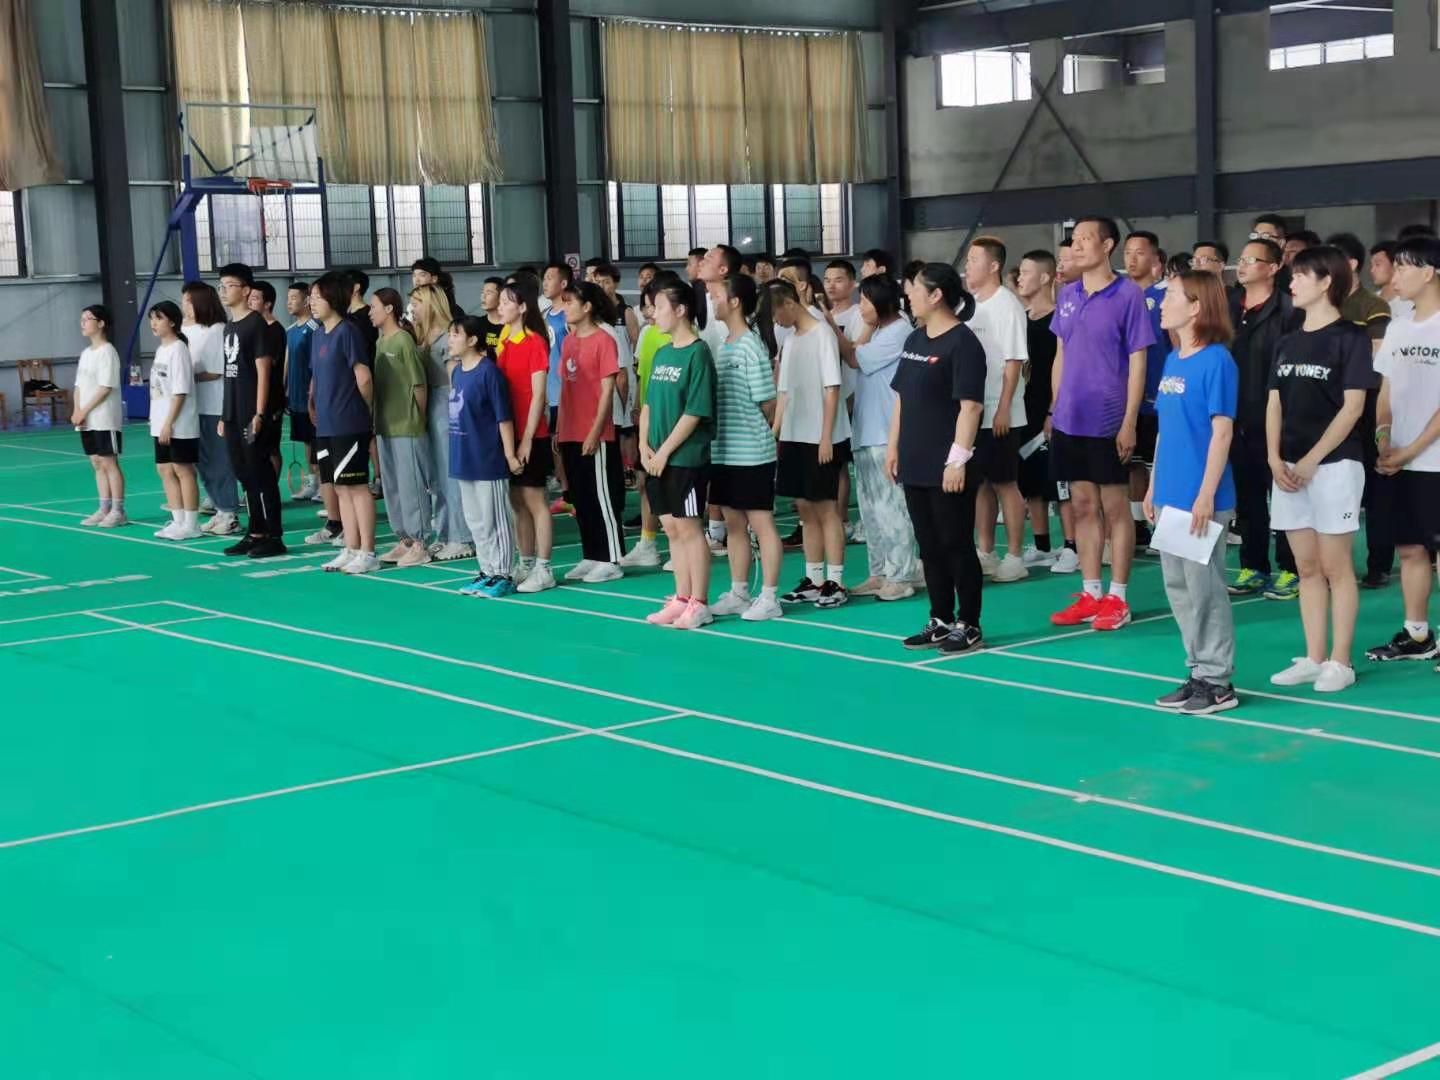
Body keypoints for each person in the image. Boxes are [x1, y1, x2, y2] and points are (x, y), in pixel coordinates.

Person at [1266, 246, 1371, 693]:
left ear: (1327, 281)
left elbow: (1353, 407)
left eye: (1300, 276)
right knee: (1306, 567)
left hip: (1335, 465)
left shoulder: (1351, 338)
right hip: (1288, 469)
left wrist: (1312, 459)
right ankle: (1313, 657)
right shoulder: (1286, 340)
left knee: (1335, 566)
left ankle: (1340, 661)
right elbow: (1274, 402)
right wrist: (1274, 457)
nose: (1291, 283)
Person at [1048, 216, 1156, 630]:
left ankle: (1118, 597)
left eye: (1085, 239)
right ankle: (1091, 592)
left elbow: (1138, 361)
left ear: (1107, 245)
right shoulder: (1068, 294)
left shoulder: (1128, 295)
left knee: (1115, 508)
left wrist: (1129, 421)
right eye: (1073, 240)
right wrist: (1056, 408)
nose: (1076, 247)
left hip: (1109, 419)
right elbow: (1061, 353)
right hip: (1069, 420)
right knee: (1081, 506)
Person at [1143, 271, 1240, 715]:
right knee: (1179, 587)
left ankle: (1218, 683)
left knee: (1206, 589)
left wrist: (1206, 494)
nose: (1163, 304)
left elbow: (1222, 433)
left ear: (1197, 306)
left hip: (1201, 497)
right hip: (1170, 492)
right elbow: (1166, 430)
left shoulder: (1217, 361)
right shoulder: (1173, 360)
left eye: (1172, 297)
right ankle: (1199, 671)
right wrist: (1153, 484)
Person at [890, 264, 987, 654]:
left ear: (936, 295)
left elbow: (971, 407)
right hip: (913, 459)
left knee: (955, 543)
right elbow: (901, 398)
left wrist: (957, 460)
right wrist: (893, 447)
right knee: (928, 545)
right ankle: (941, 618)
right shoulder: (915, 338)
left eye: (915, 289)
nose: (908, 295)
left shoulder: (964, 344)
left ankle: (969, 623)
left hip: (947, 465)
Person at [1365, 235, 1440, 669]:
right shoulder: (1398, 327)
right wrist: (1384, 440)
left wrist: (1411, 449)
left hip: (1432, 460)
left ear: (1428, 272)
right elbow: (1385, 392)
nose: (1395, 276)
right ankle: (1418, 634)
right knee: (1410, 549)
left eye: (1404, 267)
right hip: (1399, 461)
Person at [704, 274, 785, 620]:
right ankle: (739, 592)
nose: (712, 301)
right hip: (723, 452)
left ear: (735, 302)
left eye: (717, 295)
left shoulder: (751, 346)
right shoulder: (724, 345)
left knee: (761, 523)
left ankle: (769, 597)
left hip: (752, 454)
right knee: (734, 524)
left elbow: (768, 404)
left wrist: (758, 434)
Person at [768, 278, 852, 608]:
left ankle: (836, 582)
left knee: (827, 509)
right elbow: (784, 391)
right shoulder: (791, 340)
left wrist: (826, 437)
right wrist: (775, 430)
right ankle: (814, 579)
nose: (776, 322)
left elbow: (832, 389)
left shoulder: (823, 335)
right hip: (794, 436)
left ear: (789, 304)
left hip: (822, 437)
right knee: (804, 508)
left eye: (776, 314)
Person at [1227, 237, 1302, 599]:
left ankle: (1291, 568)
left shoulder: (1289, 311)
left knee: (1284, 495)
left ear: (1273, 268)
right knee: (1247, 498)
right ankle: (1253, 566)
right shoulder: (1228, 307)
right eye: (1240, 259)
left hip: (1276, 417)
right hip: (1234, 416)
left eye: (1251, 260)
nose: (1242, 266)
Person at [640, 280, 719, 629]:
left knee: (689, 528)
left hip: (685, 458)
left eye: (658, 307)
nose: (652, 314)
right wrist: (644, 446)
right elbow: (648, 405)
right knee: (671, 528)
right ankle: (682, 597)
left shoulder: (698, 353)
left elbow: (694, 412)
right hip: (656, 458)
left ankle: (700, 603)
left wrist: (665, 452)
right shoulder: (662, 352)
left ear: (681, 310)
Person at [837, 273, 919, 600]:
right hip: (867, 431)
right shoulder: (881, 330)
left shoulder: (900, 332)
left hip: (887, 434)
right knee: (871, 511)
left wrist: (829, 324)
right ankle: (880, 572)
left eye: (866, 301)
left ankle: (901, 576)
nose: (861, 307)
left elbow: (854, 357)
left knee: (893, 510)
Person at [1329, 231, 1395, 590]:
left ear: (1351, 264)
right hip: (1330, 406)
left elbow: (1378, 362)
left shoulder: (1373, 306)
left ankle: (1379, 563)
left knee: (1376, 486)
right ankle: (1336, 565)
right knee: (1338, 487)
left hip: (1367, 404)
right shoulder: (1324, 305)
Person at [963, 236, 1031, 584]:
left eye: (974, 260)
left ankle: (1016, 556)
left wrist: (1004, 407)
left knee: (1005, 483)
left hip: (1001, 412)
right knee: (981, 484)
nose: (967, 266)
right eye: (967, 260)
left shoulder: (1008, 304)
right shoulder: (971, 305)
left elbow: (1014, 360)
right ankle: (986, 552)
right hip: (974, 411)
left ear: (993, 266)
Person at [556, 280, 627, 581]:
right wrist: (559, 429)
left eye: (570, 302)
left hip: (594, 433)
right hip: (570, 430)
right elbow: (565, 389)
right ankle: (591, 554)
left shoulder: (604, 339)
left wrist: (595, 432)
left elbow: (607, 391)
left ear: (586, 307)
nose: (565, 308)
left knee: (601, 497)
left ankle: (612, 558)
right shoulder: (568, 341)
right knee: (581, 498)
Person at [446, 315, 520, 598]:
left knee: (495, 520)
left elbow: (503, 418)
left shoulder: (489, 373)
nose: (450, 340)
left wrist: (510, 455)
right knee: (475, 520)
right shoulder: (457, 372)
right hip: (463, 457)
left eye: (456, 334)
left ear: (473, 340)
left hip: (487, 459)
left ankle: (503, 573)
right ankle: (486, 570)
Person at [309, 271, 378, 575]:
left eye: (317, 297)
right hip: (325, 424)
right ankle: (350, 547)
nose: (312, 302)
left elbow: (364, 377)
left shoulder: (348, 332)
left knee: (357, 487)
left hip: (349, 422)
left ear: (334, 299)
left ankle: (368, 551)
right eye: (311, 297)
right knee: (340, 488)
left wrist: (366, 411)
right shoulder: (318, 335)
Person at [1014, 250, 1078, 573]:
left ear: (1044, 277)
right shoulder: (1020, 319)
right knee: (1030, 479)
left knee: (1059, 483)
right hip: (1023, 410)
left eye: (1026, 272)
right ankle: (1041, 546)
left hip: (1052, 410)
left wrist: (1054, 411)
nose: (1019, 278)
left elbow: (1065, 369)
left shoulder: (1059, 318)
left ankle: (1072, 546)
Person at [217, 263, 286, 559]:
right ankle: (255, 530)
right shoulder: (230, 326)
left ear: (245, 290)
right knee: (243, 474)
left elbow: (263, 372)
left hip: (251, 413)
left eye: (229, 285)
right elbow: (229, 373)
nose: (223, 291)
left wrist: (258, 414)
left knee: (261, 474)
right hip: (233, 413)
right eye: (221, 286)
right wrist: (224, 415)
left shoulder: (257, 325)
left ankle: (274, 534)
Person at [493, 279, 556, 592]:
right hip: (509, 433)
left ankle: (544, 568)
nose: (500, 306)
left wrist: (527, 439)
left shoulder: (535, 342)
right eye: (500, 301)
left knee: (535, 500)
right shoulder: (504, 338)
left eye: (506, 302)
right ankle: (526, 561)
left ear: (522, 307)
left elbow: (538, 395)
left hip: (532, 434)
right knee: (516, 501)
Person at [369, 288, 431, 567]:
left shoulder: (404, 340)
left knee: (411, 485)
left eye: (374, 307)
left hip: (407, 425)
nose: (370, 312)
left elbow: (419, 385)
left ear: (389, 309)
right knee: (392, 485)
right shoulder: (380, 342)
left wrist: (419, 417)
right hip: (385, 424)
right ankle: (404, 538)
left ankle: (420, 542)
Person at [410, 284, 470, 561]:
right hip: (431, 406)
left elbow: (457, 380)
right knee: (436, 477)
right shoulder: (423, 338)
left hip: (446, 406)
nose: (413, 308)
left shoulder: (448, 337)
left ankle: (461, 537)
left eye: (417, 303)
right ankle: (444, 533)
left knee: (451, 474)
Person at [620, 277, 673, 571]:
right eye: (647, 307)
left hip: (671, 420)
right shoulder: (647, 335)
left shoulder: (681, 337)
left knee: (673, 484)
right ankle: (648, 543)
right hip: (648, 418)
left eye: (655, 306)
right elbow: (642, 374)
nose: (650, 312)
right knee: (645, 483)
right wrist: (638, 405)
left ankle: (680, 544)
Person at [183, 282, 239, 535]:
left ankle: (229, 512)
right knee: (202, 462)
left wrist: (183, 378)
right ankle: (219, 508)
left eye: (189, 300)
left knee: (218, 461)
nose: (185, 305)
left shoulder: (216, 330)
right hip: (193, 407)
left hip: (214, 405)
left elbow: (216, 371)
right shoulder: (186, 330)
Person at [146, 301, 201, 540]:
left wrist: (169, 422)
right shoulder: (162, 350)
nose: (154, 323)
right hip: (160, 422)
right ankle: (178, 521)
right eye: (151, 318)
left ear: (172, 321)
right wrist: (157, 421)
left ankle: (192, 524)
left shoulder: (178, 349)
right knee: (165, 469)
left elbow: (180, 391)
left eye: (158, 318)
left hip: (179, 423)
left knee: (183, 469)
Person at [1125, 230, 1166, 549]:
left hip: (1158, 397)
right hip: (1126, 400)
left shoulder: (1167, 296)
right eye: (1127, 253)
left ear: (1156, 259)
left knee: (1158, 464)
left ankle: (1162, 525)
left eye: (1139, 253)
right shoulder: (1120, 295)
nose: (1132, 259)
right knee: (1132, 464)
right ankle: (1138, 525)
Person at [73, 304, 128, 528]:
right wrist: (77, 410)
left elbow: (105, 388)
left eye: (87, 319)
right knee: (96, 462)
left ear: (101, 323)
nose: (83, 323)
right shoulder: (86, 354)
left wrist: (84, 410)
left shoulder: (108, 352)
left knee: (109, 462)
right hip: (86, 419)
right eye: (82, 319)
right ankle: (104, 508)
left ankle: (118, 511)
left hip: (104, 417)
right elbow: (78, 386)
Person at [282, 281, 320, 501]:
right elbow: (288, 364)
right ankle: (313, 483)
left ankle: (325, 485)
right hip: (296, 397)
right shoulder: (291, 331)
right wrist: (285, 390)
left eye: (294, 298)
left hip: (311, 397)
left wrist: (313, 394)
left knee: (317, 441)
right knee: (307, 440)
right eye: (288, 298)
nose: (289, 302)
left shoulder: (315, 328)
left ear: (307, 300)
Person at [247, 280, 288, 481]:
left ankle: (270, 488)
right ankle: (256, 488)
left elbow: (268, 363)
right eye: (249, 298)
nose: (249, 302)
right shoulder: (252, 328)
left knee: (270, 447)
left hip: (272, 399)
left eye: (255, 298)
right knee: (252, 444)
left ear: (268, 303)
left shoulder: (275, 330)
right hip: (252, 396)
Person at [478, 277, 507, 352]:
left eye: (489, 293)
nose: (483, 296)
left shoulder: (510, 326)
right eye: (482, 292)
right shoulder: (477, 324)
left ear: (501, 297)